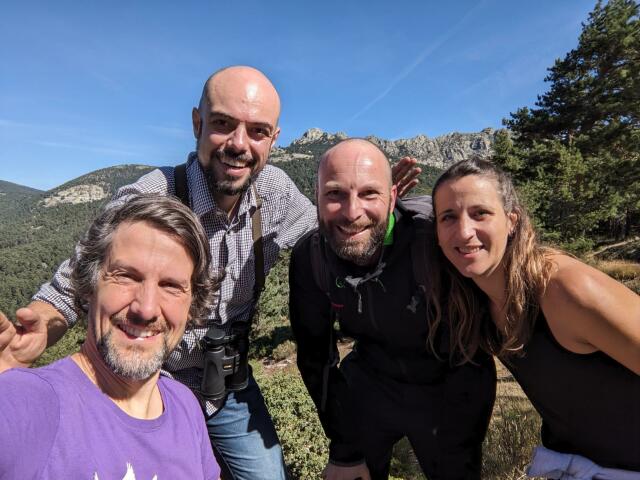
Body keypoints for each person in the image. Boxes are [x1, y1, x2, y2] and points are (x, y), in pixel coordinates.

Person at [0, 66, 420, 480]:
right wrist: (40, 328)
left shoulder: (274, 193)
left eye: (257, 131)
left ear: (273, 140)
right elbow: (78, 281)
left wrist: (382, 207)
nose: (239, 144)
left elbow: (339, 237)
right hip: (148, 378)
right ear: (197, 124)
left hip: (228, 386)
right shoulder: (151, 197)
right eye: (222, 124)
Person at [289, 139, 496, 480]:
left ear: (393, 196)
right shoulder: (312, 258)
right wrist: (345, 449)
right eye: (335, 194)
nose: (352, 212)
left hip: (451, 381)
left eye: (370, 194)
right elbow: (315, 358)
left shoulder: (431, 240)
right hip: (373, 380)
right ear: (317, 197)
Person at [431, 158, 640, 476]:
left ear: (511, 221)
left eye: (480, 213)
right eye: (448, 217)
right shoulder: (478, 300)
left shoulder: (564, 289)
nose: (464, 231)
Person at [0, 194, 220, 479]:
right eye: (126, 276)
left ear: (192, 306)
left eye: (171, 286)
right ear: (89, 287)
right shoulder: (34, 401)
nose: (147, 309)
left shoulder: (185, 406)